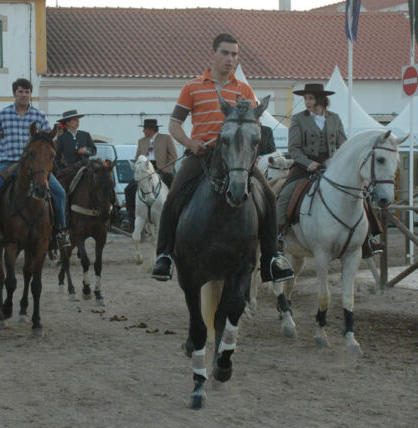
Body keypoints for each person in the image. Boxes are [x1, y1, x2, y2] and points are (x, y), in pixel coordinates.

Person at [150, 33, 294, 283]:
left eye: (235, 54)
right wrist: (191, 144)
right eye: (226, 53)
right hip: (202, 155)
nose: (231, 59)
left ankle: (271, 259)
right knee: (173, 197)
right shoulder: (192, 87)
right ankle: (164, 256)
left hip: (237, 159)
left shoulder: (244, 89)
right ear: (213, 54)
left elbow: (254, 126)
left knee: (269, 197)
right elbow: (174, 125)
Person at [276, 83, 383, 257]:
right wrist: (309, 163)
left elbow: (344, 146)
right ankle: (279, 235)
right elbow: (293, 149)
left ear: (320, 99)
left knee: (361, 194)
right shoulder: (298, 119)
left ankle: (369, 237)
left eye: (310, 98)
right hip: (305, 167)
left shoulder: (335, 118)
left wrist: (340, 163)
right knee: (284, 195)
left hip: (332, 165)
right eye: (305, 99)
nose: (307, 102)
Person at [0, 78, 70, 249]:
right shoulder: (2, 115)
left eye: (27, 92)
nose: (24, 95)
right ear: (14, 93)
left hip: (35, 166)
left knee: (59, 192)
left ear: (31, 94)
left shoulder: (39, 116)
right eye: (21, 91)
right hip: (9, 162)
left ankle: (61, 231)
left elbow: (49, 139)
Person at [124, 119, 177, 228]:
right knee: (129, 189)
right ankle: (132, 217)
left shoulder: (166, 138)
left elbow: (174, 156)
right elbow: (137, 157)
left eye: (145, 129)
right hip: (145, 170)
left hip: (161, 169)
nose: (143, 131)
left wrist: (168, 169)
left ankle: (174, 214)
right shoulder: (141, 141)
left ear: (151, 130)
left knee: (175, 188)